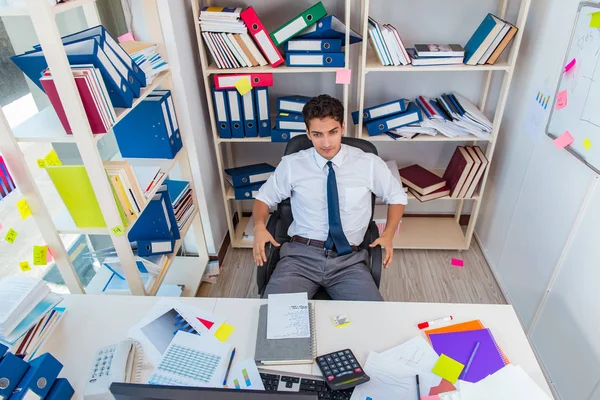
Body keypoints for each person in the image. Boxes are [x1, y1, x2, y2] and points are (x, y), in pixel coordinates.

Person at [252, 94, 407, 301]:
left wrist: (388, 234)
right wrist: (259, 227)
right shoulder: (292, 164)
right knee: (276, 323)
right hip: (299, 257)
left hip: (349, 261)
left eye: (332, 132)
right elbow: (263, 199)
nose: (326, 142)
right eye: (317, 134)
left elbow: (396, 196)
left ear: (343, 127)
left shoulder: (369, 163)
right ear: (307, 133)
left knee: (372, 324)